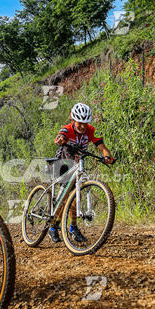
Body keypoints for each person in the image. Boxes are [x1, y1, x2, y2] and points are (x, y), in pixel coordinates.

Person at [49, 102, 114, 244]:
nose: (83, 126)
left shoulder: (91, 130)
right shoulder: (67, 129)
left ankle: (73, 228)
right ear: (73, 120)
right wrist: (60, 140)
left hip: (77, 165)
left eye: (85, 123)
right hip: (62, 164)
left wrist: (107, 156)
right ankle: (53, 226)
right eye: (80, 123)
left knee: (75, 195)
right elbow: (60, 136)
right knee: (66, 196)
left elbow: (102, 146)